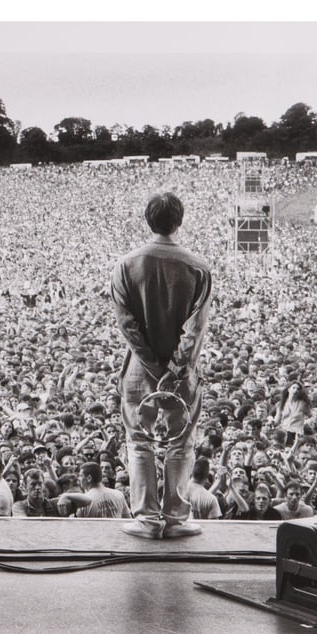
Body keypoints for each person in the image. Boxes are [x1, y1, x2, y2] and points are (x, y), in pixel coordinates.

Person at [110, 192, 212, 539]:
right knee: (181, 442)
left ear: (148, 220)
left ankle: (146, 519)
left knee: (139, 441)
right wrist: (175, 369)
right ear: (179, 220)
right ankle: (176, 519)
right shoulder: (198, 267)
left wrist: (152, 366)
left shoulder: (126, 265)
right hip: (182, 376)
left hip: (139, 371)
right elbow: (195, 329)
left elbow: (127, 326)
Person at [56, 462, 131, 519]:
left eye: (81, 476)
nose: (78, 479)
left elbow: (77, 529)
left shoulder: (83, 502)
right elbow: (128, 520)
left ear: (89, 478)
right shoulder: (118, 494)